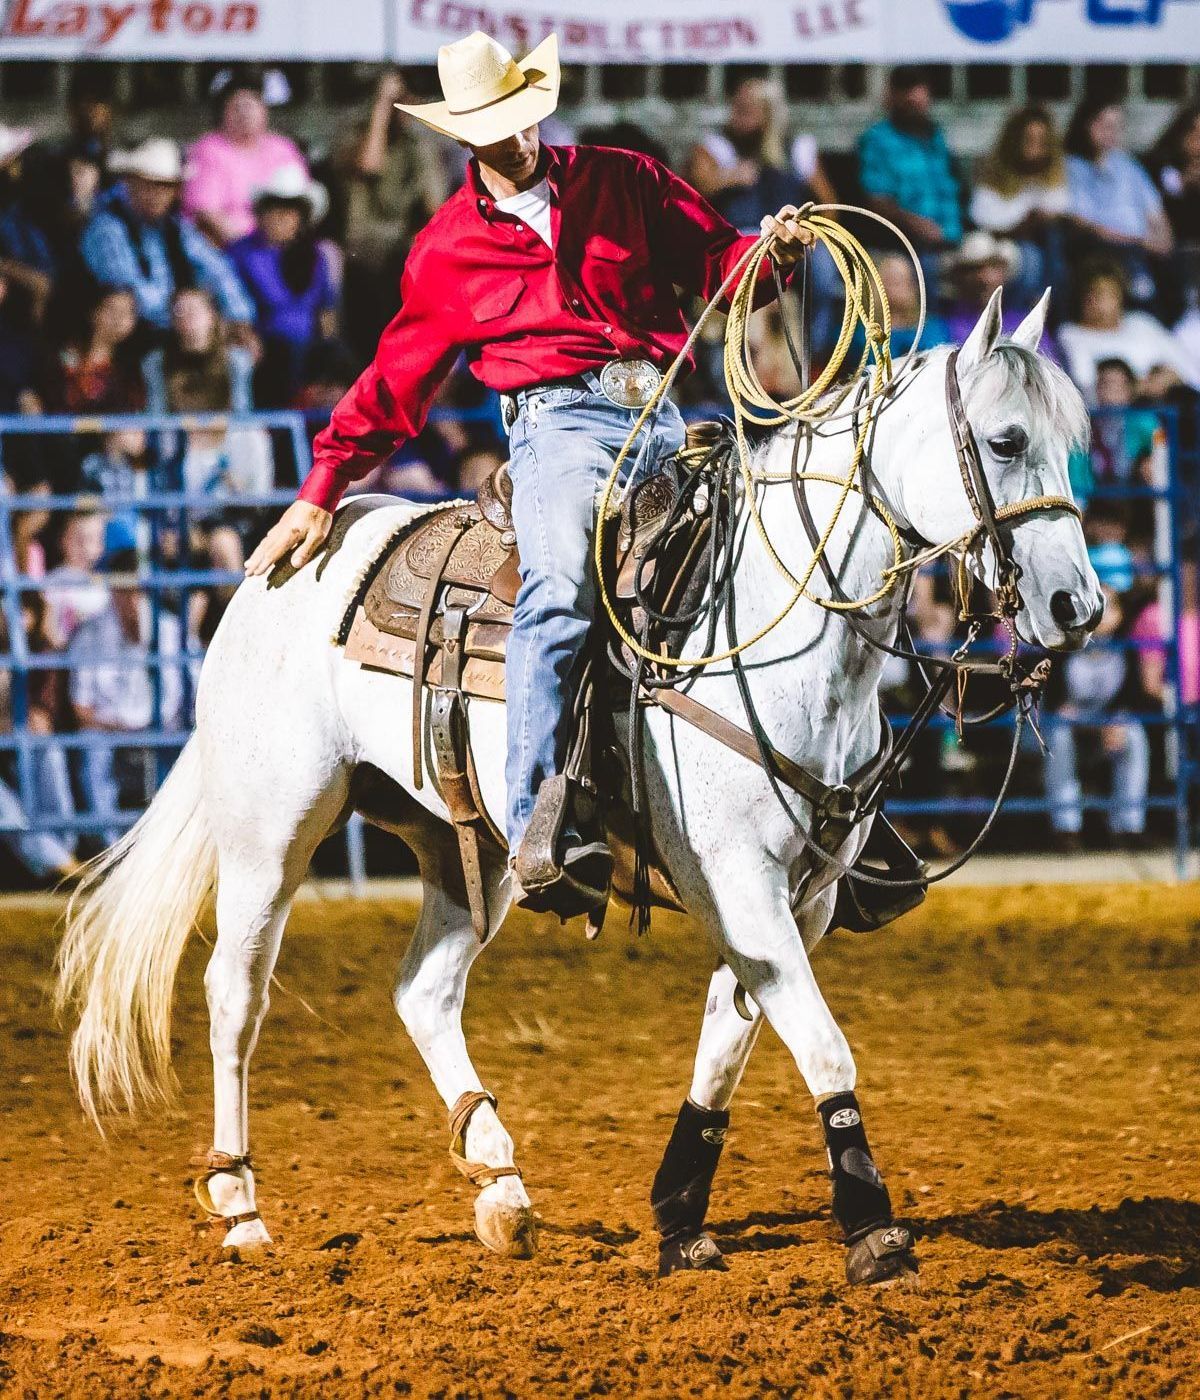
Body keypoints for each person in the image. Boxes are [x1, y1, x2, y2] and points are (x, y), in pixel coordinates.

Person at [244, 30, 812, 915]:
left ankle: (818, 795)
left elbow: (720, 265)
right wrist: (323, 489)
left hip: (662, 412)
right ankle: (537, 818)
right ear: (462, 137)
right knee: (558, 591)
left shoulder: (626, 180)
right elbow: (396, 381)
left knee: (794, 542)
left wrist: (770, 250)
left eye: (517, 116)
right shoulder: (445, 251)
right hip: (558, 427)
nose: (511, 137)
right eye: (490, 125)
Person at [67, 550, 187, 846]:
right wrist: (120, 730)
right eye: (124, 589)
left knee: (190, 746)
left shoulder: (171, 630)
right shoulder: (90, 634)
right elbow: (81, 709)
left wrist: (154, 730)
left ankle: (171, 843)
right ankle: (112, 851)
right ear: (112, 590)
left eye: (138, 589)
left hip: (163, 730)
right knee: (92, 750)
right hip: (110, 733)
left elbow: (185, 698)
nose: (132, 598)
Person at [80, 138, 256, 339]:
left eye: (166, 186)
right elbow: (131, 292)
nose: (159, 194)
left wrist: (239, 319)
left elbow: (217, 269)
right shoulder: (107, 228)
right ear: (130, 182)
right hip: (137, 335)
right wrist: (190, 316)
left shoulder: (176, 227)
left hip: (180, 327)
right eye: (150, 185)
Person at [335, 69, 449, 354]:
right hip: (359, 246)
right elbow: (368, 165)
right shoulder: (355, 135)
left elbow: (433, 208)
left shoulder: (419, 146)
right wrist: (381, 109)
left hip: (399, 248)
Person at [227, 165, 337, 407]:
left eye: (289, 210)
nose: (281, 216)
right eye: (274, 207)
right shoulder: (241, 253)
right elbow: (232, 305)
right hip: (267, 347)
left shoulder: (315, 255)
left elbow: (326, 312)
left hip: (311, 350)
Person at [687, 77, 835, 234]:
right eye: (735, 108)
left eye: (746, 111)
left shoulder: (798, 148)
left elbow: (828, 203)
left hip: (792, 236)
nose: (736, 117)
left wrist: (815, 236)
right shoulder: (719, 146)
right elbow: (693, 195)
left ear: (768, 114)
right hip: (741, 236)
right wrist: (727, 178)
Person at [1064, 98, 1173, 309]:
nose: (1110, 132)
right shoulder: (1071, 167)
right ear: (1085, 125)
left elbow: (1156, 213)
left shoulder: (1128, 165)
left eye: (1116, 127)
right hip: (1103, 246)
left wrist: (1164, 242)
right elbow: (1082, 222)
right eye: (1104, 125)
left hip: (1145, 248)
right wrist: (1137, 241)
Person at [183, 68, 308, 247]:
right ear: (223, 113)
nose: (244, 114)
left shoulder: (283, 149)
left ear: (264, 110)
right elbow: (207, 213)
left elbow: (300, 205)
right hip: (228, 246)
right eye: (237, 107)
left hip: (281, 242)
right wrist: (248, 247)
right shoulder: (208, 149)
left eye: (251, 106)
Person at [858, 67, 963, 269]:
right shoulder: (878, 140)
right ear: (892, 97)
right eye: (907, 94)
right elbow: (877, 201)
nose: (915, 101)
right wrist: (916, 225)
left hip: (952, 238)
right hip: (905, 243)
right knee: (929, 266)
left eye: (920, 94)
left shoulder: (937, 138)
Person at [1058, 259, 1200, 403]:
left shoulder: (1142, 322)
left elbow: (1187, 368)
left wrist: (1170, 378)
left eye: (1107, 294)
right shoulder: (1070, 334)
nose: (1096, 301)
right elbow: (1086, 386)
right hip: (1116, 418)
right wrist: (1139, 388)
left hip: (1165, 411)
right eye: (1091, 293)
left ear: (1120, 295)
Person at [970, 105, 1069, 308]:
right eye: (1029, 140)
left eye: (1042, 141)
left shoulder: (1055, 177)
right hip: (1002, 245)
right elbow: (983, 222)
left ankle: (1048, 310)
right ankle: (1023, 312)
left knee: (1053, 240)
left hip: (1047, 246)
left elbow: (1062, 211)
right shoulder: (992, 177)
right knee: (1030, 254)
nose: (1035, 148)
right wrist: (1024, 224)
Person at [943, 230, 1062, 362]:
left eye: (993, 267)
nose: (984, 278)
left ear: (1004, 272)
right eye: (974, 269)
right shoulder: (941, 326)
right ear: (959, 277)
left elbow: (1047, 369)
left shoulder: (1025, 323)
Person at [49, 283, 142, 413]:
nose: (119, 319)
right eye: (111, 309)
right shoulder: (69, 354)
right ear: (94, 313)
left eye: (127, 312)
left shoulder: (133, 367)